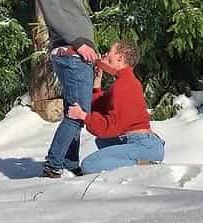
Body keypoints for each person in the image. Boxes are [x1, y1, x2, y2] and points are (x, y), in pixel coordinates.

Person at [67, 40, 164, 174]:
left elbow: (111, 126)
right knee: (103, 141)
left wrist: (83, 116)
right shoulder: (124, 81)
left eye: (109, 52)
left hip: (144, 146)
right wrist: (97, 81)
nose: (105, 54)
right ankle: (139, 159)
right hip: (140, 142)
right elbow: (101, 107)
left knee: (89, 165)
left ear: (120, 58)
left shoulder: (124, 85)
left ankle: (146, 164)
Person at [36, 0, 99, 178]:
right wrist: (78, 42)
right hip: (72, 52)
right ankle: (53, 165)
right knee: (77, 113)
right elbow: (52, 10)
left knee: (74, 111)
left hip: (76, 53)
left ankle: (69, 162)